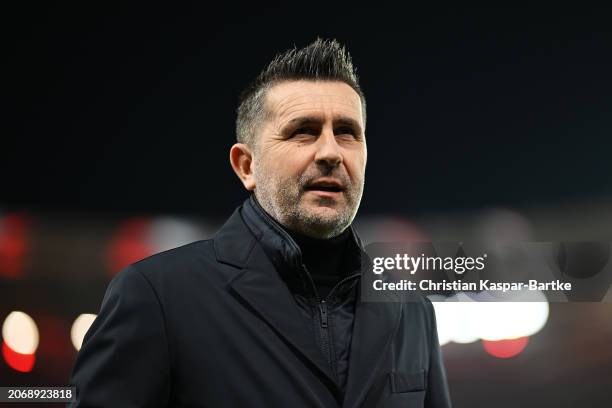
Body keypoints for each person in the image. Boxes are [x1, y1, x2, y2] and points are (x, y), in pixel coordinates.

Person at [68, 38, 451, 408]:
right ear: (246, 166)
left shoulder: (411, 308)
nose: (331, 151)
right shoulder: (155, 297)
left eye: (347, 132)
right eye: (303, 131)